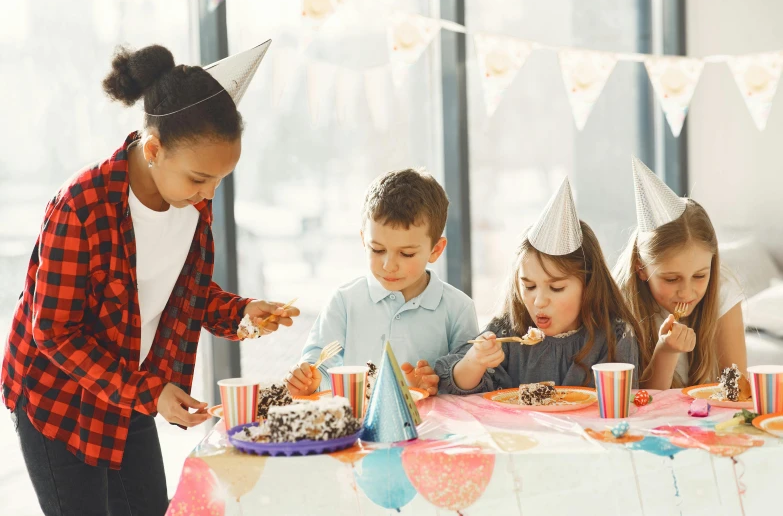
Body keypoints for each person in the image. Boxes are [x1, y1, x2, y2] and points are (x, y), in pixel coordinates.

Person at [1, 41, 299, 516]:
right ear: (155, 148)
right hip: (58, 400)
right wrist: (149, 391)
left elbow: (187, 295)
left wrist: (241, 312)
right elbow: (53, 333)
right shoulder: (80, 206)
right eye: (200, 178)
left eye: (219, 180)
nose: (209, 194)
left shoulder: (190, 206)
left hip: (131, 388)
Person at [436, 178, 641, 393]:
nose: (539, 301)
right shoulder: (507, 331)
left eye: (557, 288)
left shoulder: (615, 336)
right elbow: (453, 386)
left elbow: (620, 406)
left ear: (589, 285)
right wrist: (475, 362)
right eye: (529, 287)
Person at [286, 168, 478, 397]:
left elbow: (468, 385)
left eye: (406, 254)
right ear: (363, 241)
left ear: (435, 250)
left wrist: (436, 383)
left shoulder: (458, 308)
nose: (388, 265)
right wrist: (309, 381)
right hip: (359, 429)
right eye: (377, 249)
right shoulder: (344, 301)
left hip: (431, 430)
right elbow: (322, 368)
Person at [614, 156, 745, 389]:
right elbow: (638, 402)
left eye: (700, 276)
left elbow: (738, 388)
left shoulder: (722, 291)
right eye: (671, 279)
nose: (686, 293)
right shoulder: (622, 303)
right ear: (640, 268)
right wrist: (666, 352)